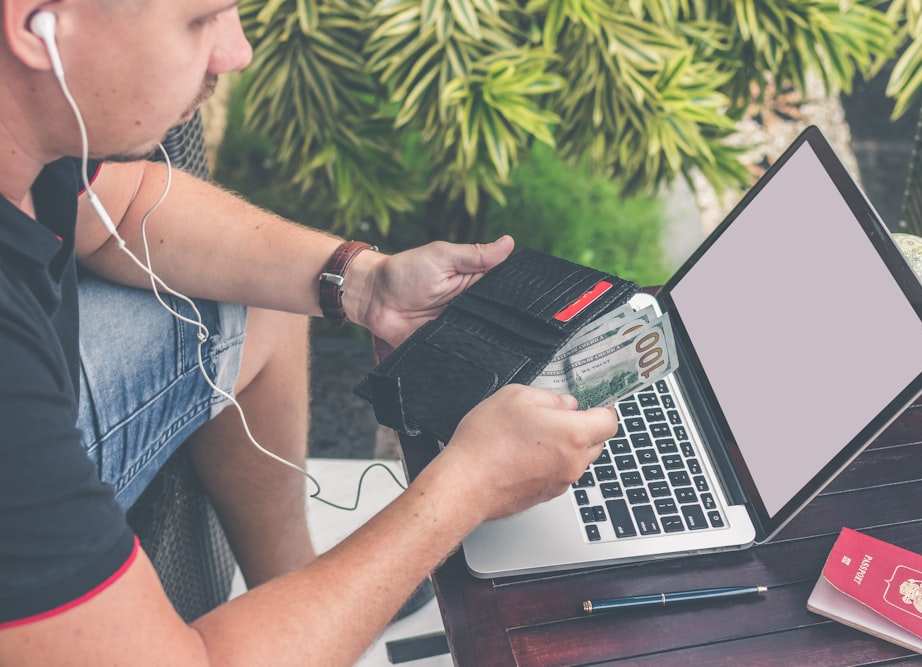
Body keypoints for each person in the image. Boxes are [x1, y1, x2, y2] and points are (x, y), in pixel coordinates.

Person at [0, 1, 619, 665]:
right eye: (200, 19)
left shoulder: (33, 123)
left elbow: (116, 204)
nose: (236, 52)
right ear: (36, 24)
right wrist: (464, 487)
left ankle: (297, 593)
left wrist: (362, 280)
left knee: (256, 294)